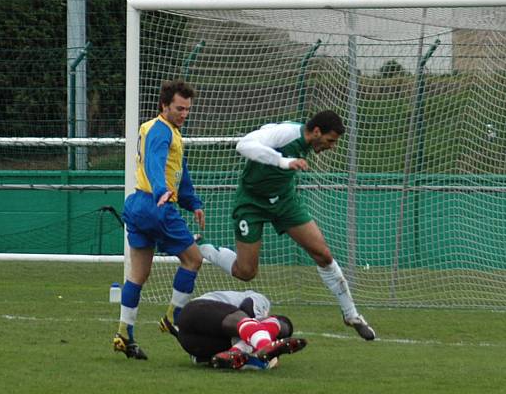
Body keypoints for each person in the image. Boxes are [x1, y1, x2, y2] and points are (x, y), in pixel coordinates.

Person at [198, 110, 376, 341]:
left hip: (284, 201)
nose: (332, 146)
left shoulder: (306, 142)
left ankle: (351, 314)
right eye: (330, 140)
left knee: (322, 253)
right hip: (252, 202)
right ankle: (203, 249)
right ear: (316, 131)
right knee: (246, 272)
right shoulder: (286, 133)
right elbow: (243, 145)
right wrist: (283, 161)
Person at [113, 80, 206, 360]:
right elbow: (155, 162)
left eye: (188, 109)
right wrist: (162, 191)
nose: (184, 114)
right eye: (179, 108)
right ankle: (172, 318)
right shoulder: (161, 131)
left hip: (139, 205)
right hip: (157, 205)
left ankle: (124, 333)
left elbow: (180, 171)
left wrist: (193, 203)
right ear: (164, 106)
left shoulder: (168, 131)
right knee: (193, 260)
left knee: (138, 275)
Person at [162, 290, 307, 370]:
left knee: (244, 335)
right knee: (248, 322)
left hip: (193, 344)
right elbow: (248, 307)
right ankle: (261, 351)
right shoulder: (260, 301)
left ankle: (246, 356)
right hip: (197, 311)